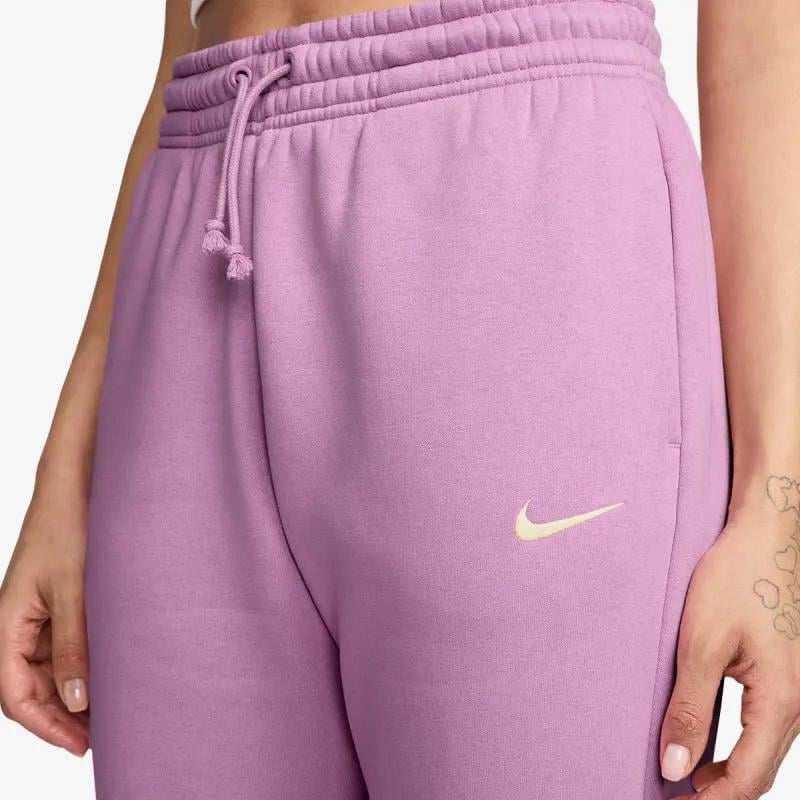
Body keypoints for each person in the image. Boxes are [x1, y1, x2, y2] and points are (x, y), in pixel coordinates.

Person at [1, 0, 798, 797]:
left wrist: (778, 506)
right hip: (200, 216)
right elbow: (181, 49)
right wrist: (69, 469)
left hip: (516, 198)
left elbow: (762, 46)